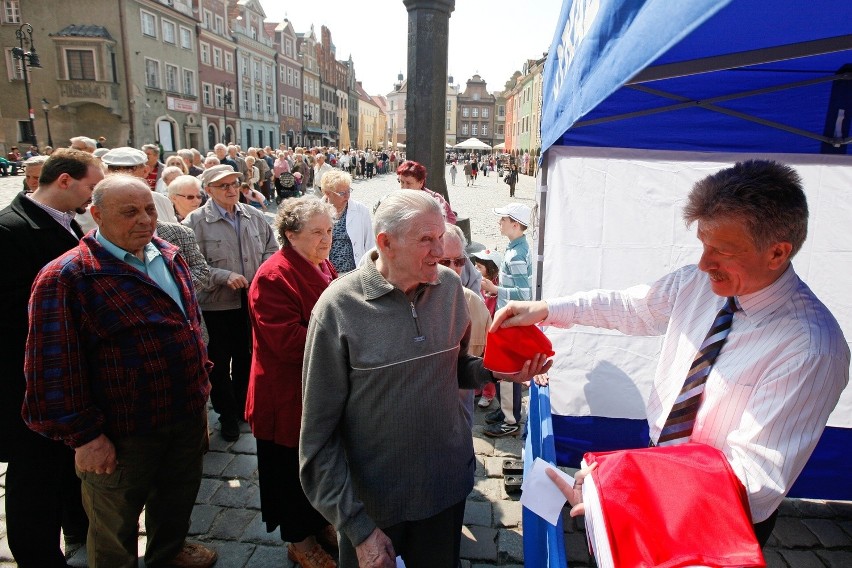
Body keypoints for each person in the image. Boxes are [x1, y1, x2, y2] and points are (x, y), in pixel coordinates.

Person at [493, 160, 850, 547]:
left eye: (721, 250)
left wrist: (623, 487)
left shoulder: (811, 349)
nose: (702, 263)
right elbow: (632, 306)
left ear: (777, 253)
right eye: (703, 245)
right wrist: (547, 309)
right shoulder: (701, 282)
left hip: (716, 519)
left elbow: (752, 482)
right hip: (659, 474)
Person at [299, 191, 551, 568]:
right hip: (375, 507)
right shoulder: (338, 309)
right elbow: (317, 441)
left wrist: (494, 371)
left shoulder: (449, 288)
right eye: (426, 240)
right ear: (386, 243)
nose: (439, 249)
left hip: (445, 492)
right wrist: (358, 528)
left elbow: (456, 367)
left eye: (440, 237)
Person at [23, 175, 217, 568]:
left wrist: (201, 389)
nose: (145, 220)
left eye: (148, 209)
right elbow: (51, 370)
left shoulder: (167, 253)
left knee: (176, 501)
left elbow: (191, 327)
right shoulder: (67, 276)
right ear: (96, 215)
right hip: (121, 432)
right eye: (129, 212)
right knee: (114, 527)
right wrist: (86, 438)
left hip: (183, 415)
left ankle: (168, 554)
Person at [0, 149, 102, 567]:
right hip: (28, 380)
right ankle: (37, 556)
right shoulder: (10, 230)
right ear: (64, 181)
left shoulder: (66, 222)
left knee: (63, 466)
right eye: (91, 186)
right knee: (33, 477)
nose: (94, 196)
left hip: (62, 372)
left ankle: (77, 531)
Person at [246, 197, 339, 568]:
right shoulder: (274, 274)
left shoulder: (321, 263)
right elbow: (286, 341)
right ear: (289, 234)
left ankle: (317, 522)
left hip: (315, 391)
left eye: (330, 230)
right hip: (284, 396)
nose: (326, 239)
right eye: (317, 231)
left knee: (318, 464)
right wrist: (346, 338)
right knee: (288, 470)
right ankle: (298, 540)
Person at [182, 165, 278, 442]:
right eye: (223, 186)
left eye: (234, 184)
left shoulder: (254, 215)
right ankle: (227, 414)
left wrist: (262, 273)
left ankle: (243, 407)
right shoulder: (196, 222)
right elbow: (189, 265)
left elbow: (272, 249)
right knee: (220, 364)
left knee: (248, 358)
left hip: (250, 304)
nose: (231, 189)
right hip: (217, 307)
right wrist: (222, 276)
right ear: (208, 190)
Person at [481, 203, 533, 437]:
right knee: (504, 368)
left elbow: (524, 295)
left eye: (503, 219)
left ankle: (510, 420)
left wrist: (495, 288)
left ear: (515, 224)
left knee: (508, 370)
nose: (499, 223)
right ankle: (506, 411)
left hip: (511, 321)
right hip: (508, 317)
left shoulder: (517, 253)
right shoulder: (516, 247)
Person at [442, 224, 493, 427]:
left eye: (459, 261)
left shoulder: (472, 302)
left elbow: (493, 346)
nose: (453, 268)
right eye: (445, 261)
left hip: (460, 405)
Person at [321, 170, 373, 274]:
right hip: (326, 274)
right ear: (327, 193)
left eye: (349, 191)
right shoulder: (316, 212)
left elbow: (370, 243)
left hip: (354, 273)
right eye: (342, 193)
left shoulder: (361, 210)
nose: (347, 196)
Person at [470, 248, 503, 408]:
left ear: (491, 270)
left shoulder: (495, 289)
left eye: (479, 267)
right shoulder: (476, 284)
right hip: (478, 329)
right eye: (475, 266)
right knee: (476, 358)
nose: (476, 270)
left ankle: (488, 393)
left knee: (488, 361)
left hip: (491, 331)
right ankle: (477, 387)